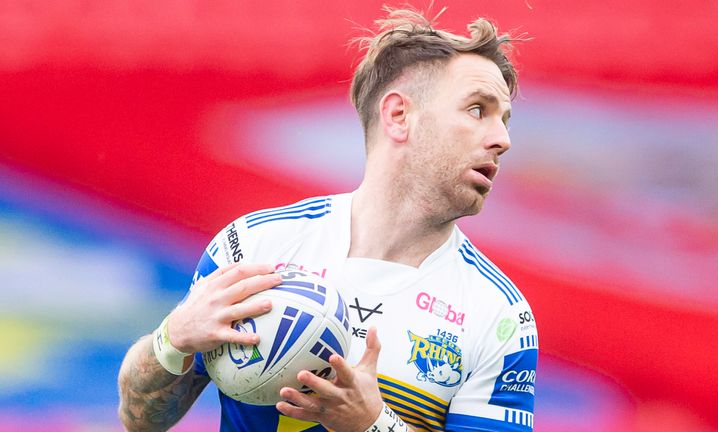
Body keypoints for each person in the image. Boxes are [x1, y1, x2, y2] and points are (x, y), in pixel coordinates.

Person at [118, 6, 538, 432]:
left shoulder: (500, 316)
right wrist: (173, 339)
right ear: (398, 116)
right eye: (476, 110)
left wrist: (371, 425)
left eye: (504, 120)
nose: (502, 139)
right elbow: (140, 418)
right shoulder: (254, 246)